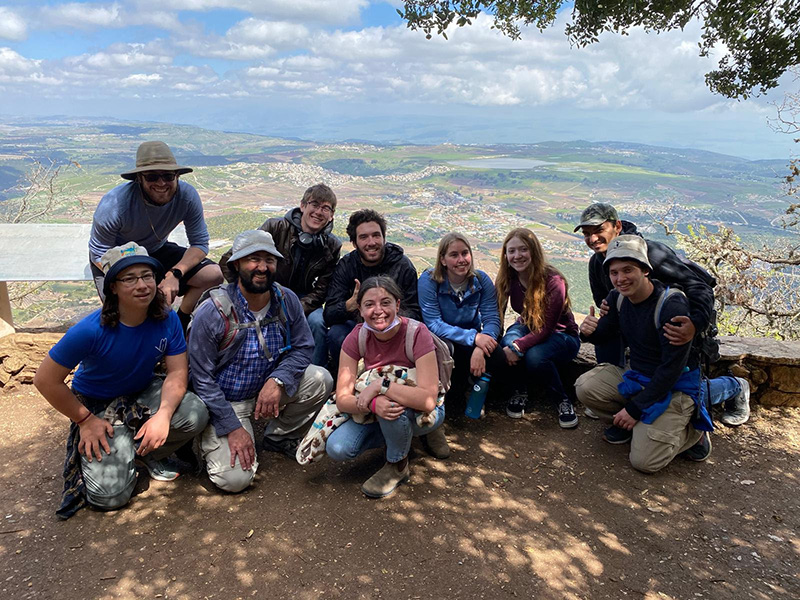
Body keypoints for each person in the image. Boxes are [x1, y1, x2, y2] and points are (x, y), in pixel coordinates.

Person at [34, 242, 209, 519]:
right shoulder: (90, 330)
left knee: (194, 413)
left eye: (147, 276)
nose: (142, 285)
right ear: (113, 287)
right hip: (98, 404)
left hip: (142, 390)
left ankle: (147, 452)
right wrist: (85, 421)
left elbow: (177, 372)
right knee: (109, 496)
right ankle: (124, 444)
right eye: (129, 278)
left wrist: (163, 415)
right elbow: (45, 380)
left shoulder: (166, 319)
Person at [575, 235, 751, 473]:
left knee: (645, 462)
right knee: (586, 387)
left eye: (628, 270)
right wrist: (588, 332)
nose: (620, 279)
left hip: (675, 384)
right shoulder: (617, 298)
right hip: (640, 376)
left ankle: (694, 431)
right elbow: (605, 333)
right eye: (614, 273)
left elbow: (671, 368)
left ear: (646, 270)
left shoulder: (670, 306)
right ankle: (641, 427)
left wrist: (635, 409)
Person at [188, 230, 333, 493]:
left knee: (321, 379)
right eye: (253, 259)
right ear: (236, 265)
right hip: (226, 402)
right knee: (235, 481)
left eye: (269, 260)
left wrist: (278, 381)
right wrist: (231, 426)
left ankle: (278, 437)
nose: (262, 267)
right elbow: (201, 379)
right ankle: (209, 436)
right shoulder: (214, 311)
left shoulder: (285, 299)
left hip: (266, 390)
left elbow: (303, 347)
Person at [326, 276, 443, 498]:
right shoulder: (356, 337)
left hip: (422, 409)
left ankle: (397, 464)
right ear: (360, 309)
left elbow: (428, 399)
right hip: (381, 409)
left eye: (386, 302)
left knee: (392, 408)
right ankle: (398, 436)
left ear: (398, 305)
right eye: (369, 304)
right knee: (339, 447)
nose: (378, 310)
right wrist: (372, 404)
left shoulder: (417, 333)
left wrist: (382, 385)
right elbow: (342, 398)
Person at [89, 141, 224, 332]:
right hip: (116, 257)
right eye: (152, 177)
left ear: (177, 176)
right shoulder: (115, 205)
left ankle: (181, 322)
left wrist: (174, 274)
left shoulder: (187, 196)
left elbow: (199, 244)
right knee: (132, 311)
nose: (161, 183)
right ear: (139, 179)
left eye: (168, 176)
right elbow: (98, 252)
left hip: (155, 248)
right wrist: (139, 280)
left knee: (213, 275)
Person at [575, 202, 715, 366]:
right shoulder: (596, 263)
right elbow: (602, 299)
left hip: (667, 323)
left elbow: (699, 287)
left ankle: (729, 386)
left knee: (673, 377)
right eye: (587, 234)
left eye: (599, 230)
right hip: (633, 320)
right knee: (605, 332)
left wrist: (695, 324)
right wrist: (605, 307)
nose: (593, 239)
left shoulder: (651, 253)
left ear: (617, 226)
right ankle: (613, 378)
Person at [219, 184, 342, 366]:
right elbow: (229, 260)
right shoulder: (275, 227)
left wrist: (295, 307)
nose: (319, 212)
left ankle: (316, 373)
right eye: (314, 204)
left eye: (326, 208)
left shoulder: (332, 245)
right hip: (265, 292)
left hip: (303, 299)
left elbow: (323, 288)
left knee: (317, 321)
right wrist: (248, 292)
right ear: (302, 206)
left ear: (331, 215)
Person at [493, 228, 581, 427]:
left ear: (534, 251)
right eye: (512, 251)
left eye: (523, 249)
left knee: (534, 356)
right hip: (528, 327)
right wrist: (497, 347)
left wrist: (517, 348)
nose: (517, 256)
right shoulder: (508, 278)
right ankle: (520, 390)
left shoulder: (553, 281)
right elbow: (498, 313)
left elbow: (547, 328)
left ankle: (562, 400)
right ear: (505, 255)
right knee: (507, 341)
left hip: (562, 334)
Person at [323, 209, 421, 373]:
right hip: (357, 325)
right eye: (363, 237)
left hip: (394, 328)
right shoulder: (347, 266)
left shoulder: (402, 266)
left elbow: (415, 312)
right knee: (337, 334)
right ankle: (344, 379)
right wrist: (350, 305)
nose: (371, 242)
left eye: (376, 235)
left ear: (384, 237)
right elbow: (329, 314)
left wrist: (388, 318)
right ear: (354, 243)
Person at [418, 232, 501, 408]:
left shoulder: (480, 280)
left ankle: (477, 389)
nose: (461, 260)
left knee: (498, 355)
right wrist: (474, 337)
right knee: (449, 351)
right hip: (444, 341)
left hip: (471, 341)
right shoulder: (430, 281)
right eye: (454, 255)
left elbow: (492, 318)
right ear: (443, 260)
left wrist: (480, 345)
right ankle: (448, 395)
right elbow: (433, 324)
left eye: (465, 253)